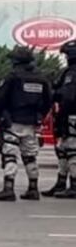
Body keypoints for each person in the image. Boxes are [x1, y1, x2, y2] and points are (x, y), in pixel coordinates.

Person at [0, 46, 52, 201]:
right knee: (30, 156)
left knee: (10, 154)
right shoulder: (41, 79)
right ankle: (33, 188)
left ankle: (8, 188)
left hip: (13, 122)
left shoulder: (12, 77)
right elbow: (48, 101)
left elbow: (0, 100)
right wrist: (39, 116)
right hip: (31, 123)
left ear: (16, 62)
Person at [46, 39, 76, 198]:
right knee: (62, 149)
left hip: (72, 115)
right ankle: (61, 182)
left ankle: (74, 185)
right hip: (66, 116)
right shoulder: (68, 72)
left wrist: (56, 96)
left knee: (72, 150)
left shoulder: (73, 73)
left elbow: (68, 95)